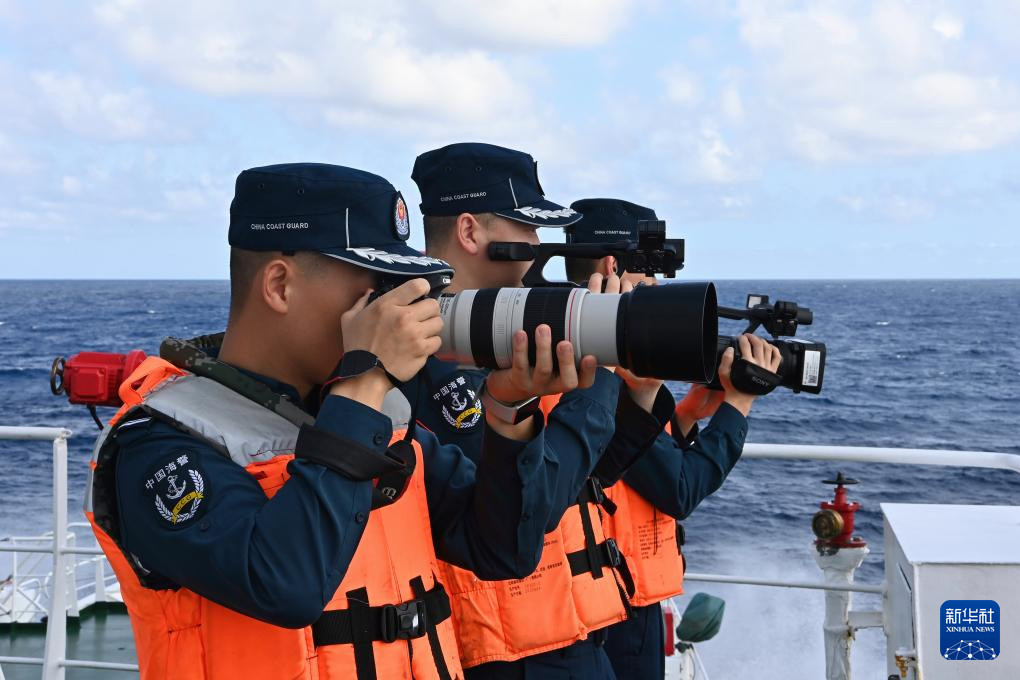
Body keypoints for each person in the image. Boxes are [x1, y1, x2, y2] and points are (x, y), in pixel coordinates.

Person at [84, 162, 622, 680]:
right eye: (374, 290)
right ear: (279, 285)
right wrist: (366, 381)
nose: (394, 312)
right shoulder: (158, 446)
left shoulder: (379, 421)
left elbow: (502, 547)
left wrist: (509, 410)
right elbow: (286, 585)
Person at [405, 143, 714, 680]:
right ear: (470, 232)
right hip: (500, 653)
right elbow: (533, 505)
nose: (536, 248)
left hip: (568, 634)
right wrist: (602, 374)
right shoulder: (421, 361)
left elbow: (583, 484)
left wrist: (637, 397)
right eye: (525, 230)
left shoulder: (502, 341)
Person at [565, 197, 781, 679]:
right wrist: (739, 406)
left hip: (607, 593)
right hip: (616, 608)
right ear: (612, 267)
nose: (660, 292)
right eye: (652, 278)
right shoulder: (603, 369)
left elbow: (628, 466)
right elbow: (677, 488)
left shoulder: (577, 353)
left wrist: (686, 415)